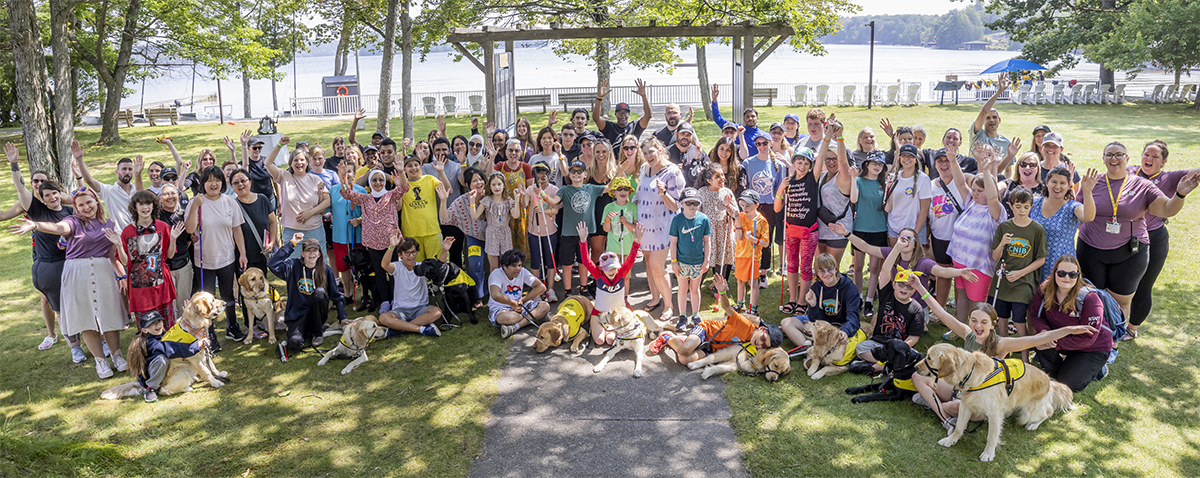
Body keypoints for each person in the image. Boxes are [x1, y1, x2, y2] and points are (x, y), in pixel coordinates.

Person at [912, 285, 1096, 430]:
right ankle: (939, 407)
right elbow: (942, 314)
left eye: (983, 322)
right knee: (917, 377)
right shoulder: (967, 334)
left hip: (986, 400)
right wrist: (920, 287)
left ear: (993, 324)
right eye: (974, 320)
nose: (977, 325)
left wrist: (1070, 330)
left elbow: (1038, 338)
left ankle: (937, 407)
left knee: (957, 408)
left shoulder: (1002, 344)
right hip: (962, 388)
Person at [10, 186, 129, 379]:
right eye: (80, 205)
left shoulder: (109, 224)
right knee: (86, 318)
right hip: (77, 274)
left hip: (103, 273)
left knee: (109, 316)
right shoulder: (73, 221)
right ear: (76, 207)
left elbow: (113, 257)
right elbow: (59, 228)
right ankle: (100, 361)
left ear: (96, 202)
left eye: (89, 202)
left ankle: (117, 356)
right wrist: (35, 225)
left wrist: (121, 275)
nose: (86, 207)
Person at [1077, 142, 1197, 319]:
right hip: (1091, 249)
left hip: (1129, 252)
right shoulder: (1092, 183)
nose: (1114, 158)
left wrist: (1179, 195)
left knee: (1121, 301)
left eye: (1119, 154)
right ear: (1103, 159)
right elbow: (1077, 212)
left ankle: (1113, 342)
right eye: (1109, 154)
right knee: (1091, 297)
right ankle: (1094, 340)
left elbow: (1166, 209)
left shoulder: (1142, 185)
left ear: (1127, 158)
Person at [4, 143, 80, 357]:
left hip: (71, 261)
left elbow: (84, 199)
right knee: (57, 305)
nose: (51, 197)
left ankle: (90, 337)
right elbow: (20, 188)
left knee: (78, 301)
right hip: (47, 263)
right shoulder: (33, 208)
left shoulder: (67, 208)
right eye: (45, 193)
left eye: (54, 193)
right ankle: (68, 342)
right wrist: (14, 164)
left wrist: (79, 175)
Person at [1128, 140, 1199, 339]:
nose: (1148, 159)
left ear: (1164, 161)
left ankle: (1132, 328)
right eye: (1146, 154)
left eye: (1154, 156)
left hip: (1154, 237)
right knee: (1121, 284)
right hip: (1126, 235)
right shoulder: (1129, 171)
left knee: (1144, 285)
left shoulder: (1170, 177)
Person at [648, 275, 783, 366]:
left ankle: (682, 341)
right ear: (761, 329)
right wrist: (722, 292)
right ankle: (667, 337)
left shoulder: (754, 345)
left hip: (712, 346)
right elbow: (726, 307)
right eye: (763, 339)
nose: (759, 344)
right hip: (707, 330)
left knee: (685, 360)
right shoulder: (745, 324)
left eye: (763, 346)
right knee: (684, 350)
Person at [1028, 255, 1115, 392]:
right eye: (1061, 273)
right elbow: (1036, 315)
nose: (1066, 278)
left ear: (1078, 276)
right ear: (1055, 272)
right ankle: (1066, 367)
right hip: (1061, 338)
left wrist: (1053, 340)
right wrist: (1044, 332)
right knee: (1040, 342)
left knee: (1068, 385)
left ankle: (1099, 370)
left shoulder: (1090, 298)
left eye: (1072, 274)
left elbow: (1089, 337)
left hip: (1093, 347)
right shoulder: (1045, 289)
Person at [184, 165, 248, 348]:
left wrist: (242, 253)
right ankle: (209, 333)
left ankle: (232, 326)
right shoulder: (196, 202)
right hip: (204, 261)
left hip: (226, 258)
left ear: (223, 182)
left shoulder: (230, 202)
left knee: (228, 296)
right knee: (207, 300)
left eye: (217, 179)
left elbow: (237, 229)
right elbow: (189, 229)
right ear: (202, 183)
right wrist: (195, 206)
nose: (213, 184)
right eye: (209, 180)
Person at [947, 151, 1004, 330]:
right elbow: (960, 182)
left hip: (979, 265)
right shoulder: (970, 202)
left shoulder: (995, 211)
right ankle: (960, 329)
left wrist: (986, 171)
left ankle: (977, 333)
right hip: (960, 260)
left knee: (977, 302)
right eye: (974, 190)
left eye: (981, 191)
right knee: (962, 296)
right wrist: (952, 160)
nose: (976, 193)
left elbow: (993, 197)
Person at [111, 190, 183, 329]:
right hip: (140, 288)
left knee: (167, 325)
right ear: (135, 207)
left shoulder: (163, 227)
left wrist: (173, 239)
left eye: (148, 203)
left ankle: (169, 350)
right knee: (146, 328)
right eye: (141, 204)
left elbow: (170, 256)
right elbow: (125, 262)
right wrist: (119, 245)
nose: (145, 208)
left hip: (161, 283)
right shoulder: (127, 231)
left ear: (154, 205)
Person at [990, 187, 1048, 354]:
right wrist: (1002, 243)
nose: (1022, 210)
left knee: (1019, 321)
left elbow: (1040, 259)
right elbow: (995, 256)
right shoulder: (1004, 227)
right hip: (1003, 282)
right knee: (1001, 318)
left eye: (1026, 207)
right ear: (1011, 206)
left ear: (1031, 207)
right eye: (1018, 206)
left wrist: (1021, 273)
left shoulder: (1037, 229)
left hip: (1024, 282)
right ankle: (1002, 355)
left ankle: (1025, 357)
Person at [850, 250, 926, 375]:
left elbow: (914, 337)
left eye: (909, 287)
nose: (904, 289)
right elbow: (885, 270)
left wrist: (901, 348)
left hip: (900, 347)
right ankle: (888, 365)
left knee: (918, 358)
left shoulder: (916, 309)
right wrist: (898, 246)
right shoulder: (887, 295)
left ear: (914, 291)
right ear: (893, 284)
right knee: (860, 348)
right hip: (878, 343)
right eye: (901, 285)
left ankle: (877, 366)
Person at [270, 234, 349, 352]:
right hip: (297, 316)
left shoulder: (326, 270)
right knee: (294, 345)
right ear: (302, 254)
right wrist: (292, 243)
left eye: (315, 250)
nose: (312, 254)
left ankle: (317, 332)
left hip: (317, 313)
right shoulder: (292, 267)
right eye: (308, 251)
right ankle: (305, 331)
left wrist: (342, 317)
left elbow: (337, 297)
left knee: (319, 292)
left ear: (319, 253)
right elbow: (272, 264)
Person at [636, 138, 685, 315]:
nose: (648, 156)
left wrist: (663, 193)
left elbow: (676, 206)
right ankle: (655, 298)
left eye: (651, 151)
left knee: (657, 267)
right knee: (648, 264)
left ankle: (669, 306)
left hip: (662, 227)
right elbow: (639, 194)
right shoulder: (644, 168)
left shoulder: (672, 172)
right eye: (645, 152)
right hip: (644, 226)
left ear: (660, 150)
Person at [775, 146, 825, 315]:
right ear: (794, 162)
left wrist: (829, 134)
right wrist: (781, 189)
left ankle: (802, 301)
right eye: (799, 162)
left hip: (809, 232)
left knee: (805, 266)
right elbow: (777, 208)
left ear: (810, 166)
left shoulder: (812, 178)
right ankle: (792, 299)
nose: (802, 166)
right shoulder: (789, 182)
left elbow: (822, 154)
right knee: (792, 265)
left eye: (806, 163)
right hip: (791, 231)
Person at [264, 137, 331, 262]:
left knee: (318, 266)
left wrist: (310, 213)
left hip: (314, 231)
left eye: (302, 160)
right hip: (292, 232)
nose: (299, 163)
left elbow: (327, 201)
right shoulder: (284, 177)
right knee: (292, 267)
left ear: (307, 163)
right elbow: (267, 163)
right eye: (295, 160)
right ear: (291, 163)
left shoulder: (315, 179)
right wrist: (279, 145)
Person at [577, 222, 643, 346]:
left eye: (613, 268)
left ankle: (609, 329)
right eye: (607, 268)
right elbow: (586, 261)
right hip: (599, 313)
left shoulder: (621, 273)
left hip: (616, 315)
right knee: (600, 340)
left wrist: (637, 241)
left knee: (610, 340)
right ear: (602, 268)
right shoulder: (598, 274)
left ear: (617, 267)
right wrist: (583, 241)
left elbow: (631, 258)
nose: (611, 271)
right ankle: (594, 324)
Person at [779, 253, 861, 352]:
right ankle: (809, 350)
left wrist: (845, 331)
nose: (826, 274)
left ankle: (809, 343)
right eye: (821, 271)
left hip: (839, 326)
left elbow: (854, 318)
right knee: (786, 322)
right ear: (817, 273)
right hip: (820, 325)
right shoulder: (816, 287)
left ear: (836, 269)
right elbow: (814, 319)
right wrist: (813, 305)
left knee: (838, 338)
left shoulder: (849, 288)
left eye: (830, 269)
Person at [375, 234, 448, 338]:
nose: (411, 256)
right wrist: (391, 246)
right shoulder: (398, 267)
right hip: (400, 310)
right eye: (407, 253)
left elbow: (439, 267)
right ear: (400, 255)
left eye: (413, 252)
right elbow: (384, 265)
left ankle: (400, 329)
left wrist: (445, 250)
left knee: (437, 312)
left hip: (420, 309)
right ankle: (421, 328)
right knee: (383, 318)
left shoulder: (422, 267)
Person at [552, 160, 607, 298]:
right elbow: (553, 201)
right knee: (567, 264)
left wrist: (619, 171)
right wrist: (540, 193)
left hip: (584, 233)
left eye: (579, 171)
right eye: (573, 171)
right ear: (569, 174)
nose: (576, 174)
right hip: (568, 233)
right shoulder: (565, 189)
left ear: (585, 174)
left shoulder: (591, 188)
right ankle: (568, 291)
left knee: (583, 262)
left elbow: (608, 188)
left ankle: (583, 288)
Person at [1033, 165, 1097, 281]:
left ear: (1069, 186)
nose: (1058, 186)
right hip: (1034, 263)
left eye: (1062, 183)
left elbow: (1088, 217)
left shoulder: (1072, 207)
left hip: (1061, 268)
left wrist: (1087, 192)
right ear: (1047, 183)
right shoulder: (1034, 203)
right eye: (1054, 182)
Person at [926, 146, 971, 309]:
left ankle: (960, 310)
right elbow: (926, 213)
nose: (944, 164)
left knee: (960, 277)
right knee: (943, 275)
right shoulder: (930, 186)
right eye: (940, 160)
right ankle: (940, 308)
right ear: (935, 165)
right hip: (940, 237)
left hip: (960, 239)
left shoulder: (961, 183)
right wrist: (927, 237)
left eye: (947, 160)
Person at [127, 311, 205, 403]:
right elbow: (170, 348)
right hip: (149, 376)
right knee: (162, 360)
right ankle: (151, 389)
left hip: (164, 373)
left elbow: (180, 339)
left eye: (159, 321)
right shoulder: (150, 342)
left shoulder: (165, 334)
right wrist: (196, 346)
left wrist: (187, 317)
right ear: (145, 330)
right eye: (152, 324)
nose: (157, 325)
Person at [438, 168, 487, 309]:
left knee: (495, 266)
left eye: (480, 179)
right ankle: (477, 296)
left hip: (494, 238)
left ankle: (498, 292)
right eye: (474, 181)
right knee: (475, 264)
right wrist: (443, 201)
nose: (479, 183)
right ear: (467, 184)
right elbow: (445, 218)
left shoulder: (490, 196)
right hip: (475, 238)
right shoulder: (462, 202)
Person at [746, 132, 789, 288]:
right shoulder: (748, 163)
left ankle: (763, 273)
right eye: (758, 144)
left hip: (770, 206)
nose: (762, 147)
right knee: (750, 239)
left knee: (765, 241)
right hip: (753, 206)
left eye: (765, 143)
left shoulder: (779, 164)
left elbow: (780, 188)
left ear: (770, 144)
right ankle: (750, 270)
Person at [849, 151, 889, 314]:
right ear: (866, 164)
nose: (877, 166)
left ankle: (869, 301)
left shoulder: (885, 183)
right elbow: (853, 199)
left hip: (879, 229)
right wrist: (853, 178)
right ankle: (858, 297)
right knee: (858, 266)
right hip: (860, 229)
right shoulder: (859, 180)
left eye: (880, 164)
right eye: (874, 163)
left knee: (874, 268)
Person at [670, 188, 713, 330]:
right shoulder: (677, 220)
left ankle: (695, 315)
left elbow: (707, 241)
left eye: (695, 202)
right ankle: (682, 316)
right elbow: (673, 242)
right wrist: (674, 262)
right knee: (682, 289)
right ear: (682, 203)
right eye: (689, 203)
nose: (692, 206)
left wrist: (706, 260)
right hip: (681, 262)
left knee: (695, 290)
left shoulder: (703, 219)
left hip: (697, 262)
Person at [328, 159, 366, 310]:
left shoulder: (361, 191)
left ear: (355, 173)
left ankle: (364, 295)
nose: (347, 174)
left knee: (360, 266)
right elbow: (326, 207)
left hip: (357, 236)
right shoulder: (333, 190)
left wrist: (360, 219)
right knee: (343, 267)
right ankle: (348, 294)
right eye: (344, 172)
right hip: (340, 236)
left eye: (349, 171)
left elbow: (369, 212)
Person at [488, 249, 551, 339]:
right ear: (505, 267)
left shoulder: (522, 271)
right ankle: (535, 317)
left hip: (520, 305)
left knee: (545, 306)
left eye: (519, 265)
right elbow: (495, 295)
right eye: (514, 266)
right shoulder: (496, 274)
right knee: (504, 317)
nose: (518, 268)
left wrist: (523, 300)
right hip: (501, 308)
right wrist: (512, 303)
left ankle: (515, 327)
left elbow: (541, 287)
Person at [230, 168, 278, 280]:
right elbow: (236, 231)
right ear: (232, 187)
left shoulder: (262, 199)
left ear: (250, 181)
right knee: (246, 290)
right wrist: (242, 254)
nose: (240, 184)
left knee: (261, 288)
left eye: (243, 180)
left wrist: (272, 241)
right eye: (235, 183)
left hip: (261, 254)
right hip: (243, 257)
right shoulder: (232, 205)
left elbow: (273, 221)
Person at [816, 126, 853, 268]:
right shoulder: (823, 176)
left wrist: (840, 138)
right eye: (828, 159)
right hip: (822, 227)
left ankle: (835, 291)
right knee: (820, 268)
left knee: (831, 269)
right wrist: (827, 133)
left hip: (838, 229)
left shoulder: (844, 177)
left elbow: (843, 161)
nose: (831, 162)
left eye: (834, 159)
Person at [695, 164, 737, 287]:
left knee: (723, 259)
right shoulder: (702, 192)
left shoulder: (727, 192)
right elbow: (696, 213)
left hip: (724, 232)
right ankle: (695, 287)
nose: (722, 178)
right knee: (704, 260)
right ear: (709, 180)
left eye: (722, 175)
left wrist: (727, 205)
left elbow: (736, 213)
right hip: (708, 233)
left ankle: (720, 285)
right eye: (717, 176)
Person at [524, 164, 560, 302]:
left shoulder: (553, 189)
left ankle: (550, 290)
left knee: (550, 261)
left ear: (548, 176)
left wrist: (544, 211)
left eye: (543, 178)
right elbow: (523, 205)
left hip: (550, 230)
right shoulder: (530, 189)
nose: (540, 181)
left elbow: (555, 209)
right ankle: (537, 291)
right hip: (534, 230)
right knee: (535, 261)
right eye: (537, 178)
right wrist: (522, 195)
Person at [157, 184, 194, 321]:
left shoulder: (184, 214)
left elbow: (190, 239)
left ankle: (185, 330)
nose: (170, 197)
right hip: (165, 267)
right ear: (160, 198)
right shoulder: (156, 217)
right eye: (166, 194)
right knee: (169, 304)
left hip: (183, 264)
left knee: (184, 302)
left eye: (173, 193)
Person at [885, 144, 933, 246]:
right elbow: (888, 208)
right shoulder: (893, 177)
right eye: (904, 156)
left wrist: (914, 234)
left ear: (916, 159)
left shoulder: (923, 179)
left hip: (914, 229)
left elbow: (924, 211)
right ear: (900, 158)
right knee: (895, 259)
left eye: (910, 156)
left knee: (913, 261)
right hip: (894, 227)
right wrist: (889, 189)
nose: (907, 159)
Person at [76, 149, 136, 230]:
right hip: (120, 237)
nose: (127, 172)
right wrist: (79, 159)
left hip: (139, 235)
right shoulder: (108, 191)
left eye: (130, 169)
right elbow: (89, 181)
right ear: (117, 172)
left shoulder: (137, 189)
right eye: (124, 169)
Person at [474, 171, 520, 273]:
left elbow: (516, 215)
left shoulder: (508, 200)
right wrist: (472, 202)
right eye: (493, 184)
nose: (496, 187)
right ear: (489, 186)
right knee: (494, 268)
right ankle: (494, 288)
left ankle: (506, 287)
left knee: (507, 265)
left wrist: (517, 199)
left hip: (505, 233)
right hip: (492, 233)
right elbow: (475, 215)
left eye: (499, 184)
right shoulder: (486, 200)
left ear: (504, 185)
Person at [733, 191, 769, 315]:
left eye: (747, 205)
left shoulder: (762, 221)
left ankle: (753, 309)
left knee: (753, 283)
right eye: (742, 205)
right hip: (740, 255)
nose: (744, 208)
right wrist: (737, 219)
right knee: (740, 281)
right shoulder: (741, 217)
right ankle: (740, 305)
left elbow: (766, 243)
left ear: (756, 205)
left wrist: (753, 240)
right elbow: (738, 237)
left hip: (754, 257)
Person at [709, 83, 763, 156]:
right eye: (747, 117)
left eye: (752, 116)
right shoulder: (738, 129)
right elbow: (718, 119)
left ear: (757, 118)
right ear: (744, 119)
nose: (750, 118)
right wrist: (714, 101)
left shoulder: (762, 135)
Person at [595, 79, 652, 145]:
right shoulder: (609, 127)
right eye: (620, 112)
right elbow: (596, 118)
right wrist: (599, 98)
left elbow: (648, 116)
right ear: (615, 114)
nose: (622, 115)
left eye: (625, 112)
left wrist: (644, 96)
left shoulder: (635, 126)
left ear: (629, 114)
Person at [969, 74, 1012, 157]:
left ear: (999, 120)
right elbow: (984, 112)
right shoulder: (976, 135)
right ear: (983, 121)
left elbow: (1008, 169)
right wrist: (999, 91)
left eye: (994, 117)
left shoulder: (1006, 142)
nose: (991, 120)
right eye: (987, 118)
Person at [238, 133, 278, 209]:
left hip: (270, 199)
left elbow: (276, 182)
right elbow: (243, 167)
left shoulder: (267, 162)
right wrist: (242, 145)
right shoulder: (245, 164)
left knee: (272, 221)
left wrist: (280, 201)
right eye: (255, 148)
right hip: (254, 201)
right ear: (248, 148)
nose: (257, 150)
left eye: (259, 148)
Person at [668, 122, 710, 187]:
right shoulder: (666, 153)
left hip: (694, 192)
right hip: (672, 190)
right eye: (682, 134)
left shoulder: (700, 152)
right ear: (676, 134)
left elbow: (709, 173)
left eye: (688, 135)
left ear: (692, 136)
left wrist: (697, 159)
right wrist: (672, 169)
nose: (685, 137)